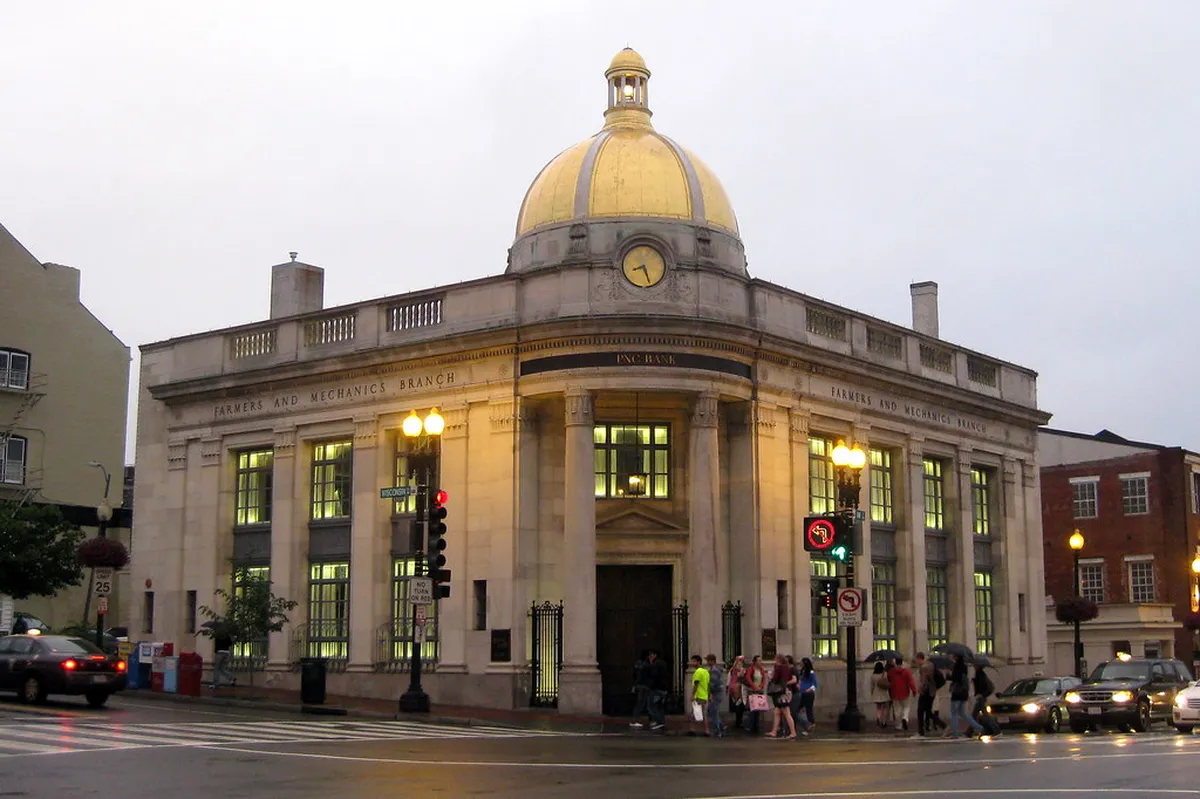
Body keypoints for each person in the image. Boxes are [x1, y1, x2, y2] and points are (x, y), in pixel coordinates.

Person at [948, 653, 984, 739]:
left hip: (957, 693)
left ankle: (955, 734)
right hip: (964, 693)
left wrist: (948, 675)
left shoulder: (956, 666)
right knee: (963, 713)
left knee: (954, 714)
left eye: (954, 655)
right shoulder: (965, 666)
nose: (952, 656)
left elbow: (955, 678)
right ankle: (980, 728)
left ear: (956, 656)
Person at [765, 654, 798, 740]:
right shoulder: (787, 667)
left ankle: (793, 732)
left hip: (781, 692)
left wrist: (770, 677)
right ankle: (774, 731)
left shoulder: (779, 667)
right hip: (785, 691)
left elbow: (775, 679)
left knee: (786, 713)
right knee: (777, 712)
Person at [888, 656, 918, 731]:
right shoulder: (906, 672)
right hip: (905, 692)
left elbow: (888, 680)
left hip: (894, 692)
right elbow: (911, 682)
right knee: (906, 707)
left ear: (895, 662)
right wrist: (914, 690)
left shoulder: (891, 672)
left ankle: (898, 725)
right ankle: (905, 718)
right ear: (902, 663)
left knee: (897, 709)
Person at [915, 652, 938, 736]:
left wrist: (920, 689)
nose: (916, 662)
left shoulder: (924, 667)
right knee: (928, 711)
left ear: (919, 658)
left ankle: (920, 730)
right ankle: (943, 725)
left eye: (916, 660)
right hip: (932, 690)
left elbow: (924, 681)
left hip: (926, 691)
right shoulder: (931, 664)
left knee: (920, 710)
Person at [744, 655, 768, 734]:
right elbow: (748, 678)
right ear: (754, 662)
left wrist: (760, 686)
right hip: (752, 691)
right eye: (759, 660)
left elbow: (764, 679)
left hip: (759, 691)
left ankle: (756, 726)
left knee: (758, 709)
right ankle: (751, 726)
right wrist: (754, 687)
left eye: (761, 660)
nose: (760, 662)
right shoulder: (751, 669)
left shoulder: (761, 669)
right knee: (752, 709)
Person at [645, 649, 668, 731]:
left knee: (652, 706)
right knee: (659, 706)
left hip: (656, 688)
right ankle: (661, 722)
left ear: (655, 655)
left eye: (651, 655)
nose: (649, 657)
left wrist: (650, 686)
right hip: (663, 688)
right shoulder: (663, 663)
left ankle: (659, 722)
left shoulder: (655, 664)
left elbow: (654, 676)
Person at [705, 654, 727, 738]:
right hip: (717, 693)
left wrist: (709, 693)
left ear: (712, 661)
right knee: (712, 711)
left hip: (716, 693)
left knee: (713, 712)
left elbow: (712, 683)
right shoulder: (714, 669)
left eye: (708, 660)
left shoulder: (714, 670)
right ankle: (721, 727)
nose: (707, 662)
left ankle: (717, 731)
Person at [630, 650, 652, 728]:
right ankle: (636, 720)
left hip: (640, 685)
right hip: (644, 685)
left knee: (640, 703)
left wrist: (635, 685)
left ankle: (636, 719)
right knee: (645, 703)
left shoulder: (638, 664)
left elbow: (635, 675)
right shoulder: (647, 665)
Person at [689, 654, 711, 736]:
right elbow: (708, 684)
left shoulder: (697, 672)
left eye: (694, 661)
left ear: (698, 662)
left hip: (698, 696)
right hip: (704, 696)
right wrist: (709, 695)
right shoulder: (706, 672)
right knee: (702, 714)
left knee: (694, 714)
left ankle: (693, 729)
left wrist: (692, 695)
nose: (692, 663)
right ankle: (706, 730)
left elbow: (696, 684)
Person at [796, 657, 818, 732]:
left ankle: (811, 724)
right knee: (797, 709)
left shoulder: (811, 672)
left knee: (808, 709)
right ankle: (807, 725)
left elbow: (815, 684)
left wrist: (809, 690)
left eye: (801, 662)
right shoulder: (802, 672)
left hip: (808, 694)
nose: (800, 664)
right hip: (802, 693)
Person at [728, 655, 747, 730]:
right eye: (739, 663)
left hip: (735, 687)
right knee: (739, 704)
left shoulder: (732, 670)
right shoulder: (738, 670)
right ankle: (738, 722)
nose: (740, 665)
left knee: (738, 704)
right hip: (737, 687)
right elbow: (741, 677)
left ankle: (738, 721)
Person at [870, 661, 891, 729]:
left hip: (876, 693)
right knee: (884, 708)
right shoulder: (885, 674)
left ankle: (878, 718)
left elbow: (872, 686)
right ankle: (883, 722)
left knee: (878, 707)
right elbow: (887, 682)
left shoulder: (873, 675)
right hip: (884, 693)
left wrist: (872, 692)